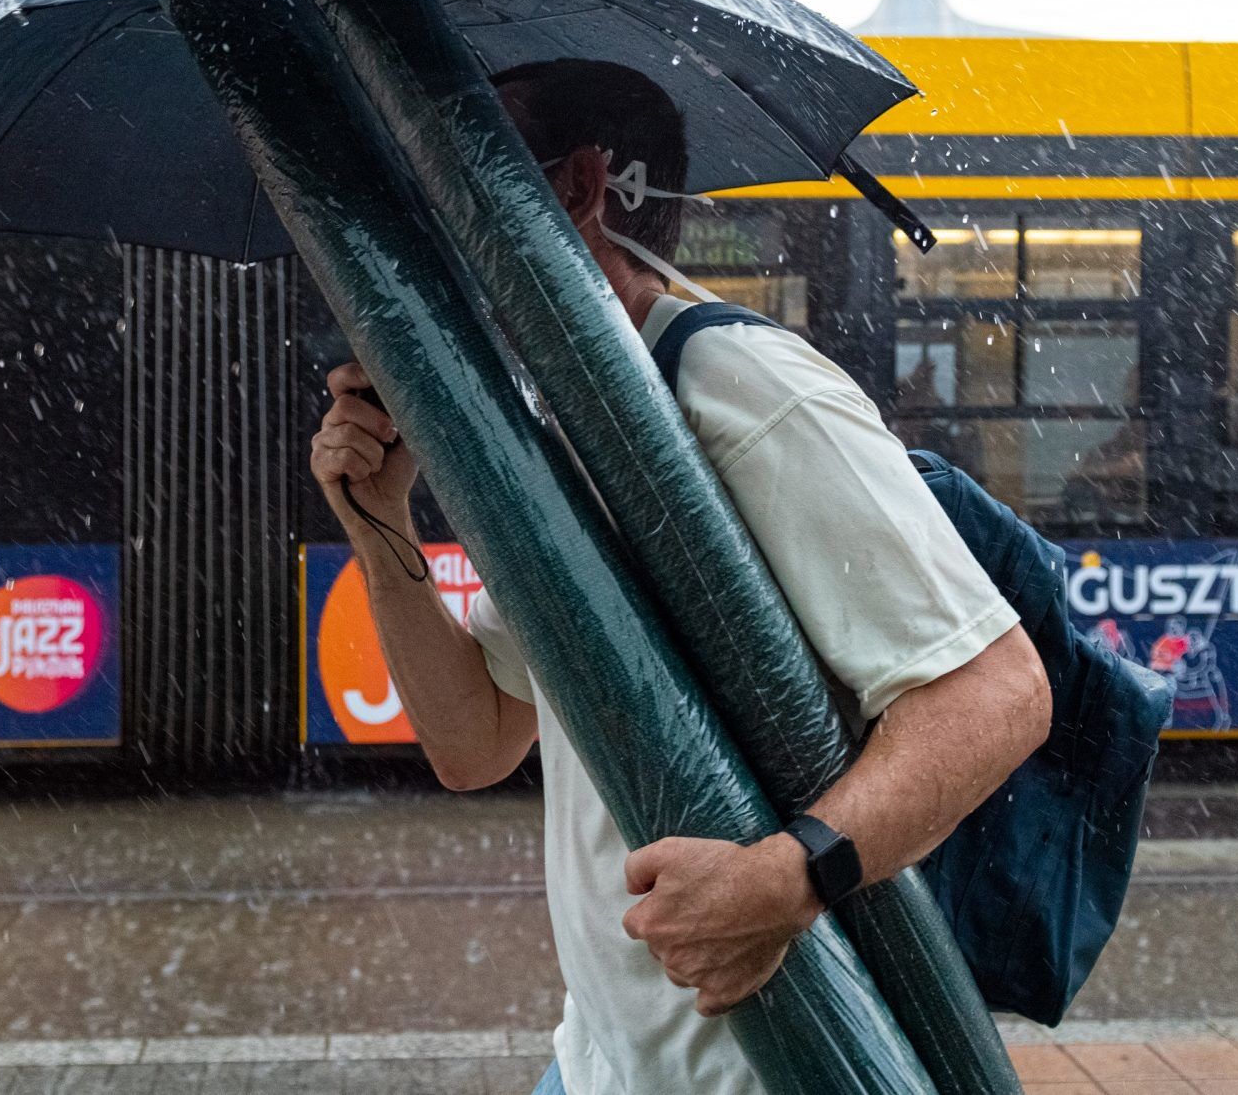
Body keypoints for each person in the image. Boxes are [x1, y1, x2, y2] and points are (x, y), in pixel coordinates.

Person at [308, 60, 1052, 1095]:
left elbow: (999, 690)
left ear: (575, 188)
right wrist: (376, 520)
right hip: (598, 1057)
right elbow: (476, 739)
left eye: (446, 189)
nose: (425, 238)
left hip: (759, 1068)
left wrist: (787, 877)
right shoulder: (565, 416)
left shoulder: (739, 382)